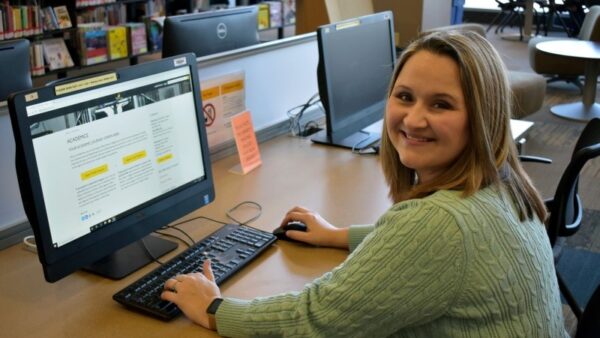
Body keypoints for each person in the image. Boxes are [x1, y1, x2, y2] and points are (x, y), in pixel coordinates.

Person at [161, 31, 568, 337]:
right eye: (405, 96)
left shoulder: (436, 225)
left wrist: (214, 308)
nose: (413, 119)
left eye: (441, 104)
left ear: (482, 117)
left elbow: (312, 319)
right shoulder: (501, 182)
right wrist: (338, 235)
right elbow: (435, 246)